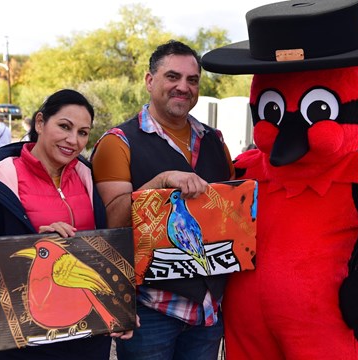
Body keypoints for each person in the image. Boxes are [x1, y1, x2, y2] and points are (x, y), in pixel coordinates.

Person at [0, 89, 132, 359]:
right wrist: (32, 246)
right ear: (39, 123)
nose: (73, 140)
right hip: (26, 343)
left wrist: (119, 310)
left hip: (88, 339)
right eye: (64, 126)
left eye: (83, 132)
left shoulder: (88, 177)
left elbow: (101, 255)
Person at [91, 40, 234, 360]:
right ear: (149, 80)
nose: (183, 87)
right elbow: (112, 225)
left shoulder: (215, 140)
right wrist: (161, 182)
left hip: (208, 310)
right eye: (173, 77)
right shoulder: (119, 142)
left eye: (192, 80)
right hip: (150, 309)